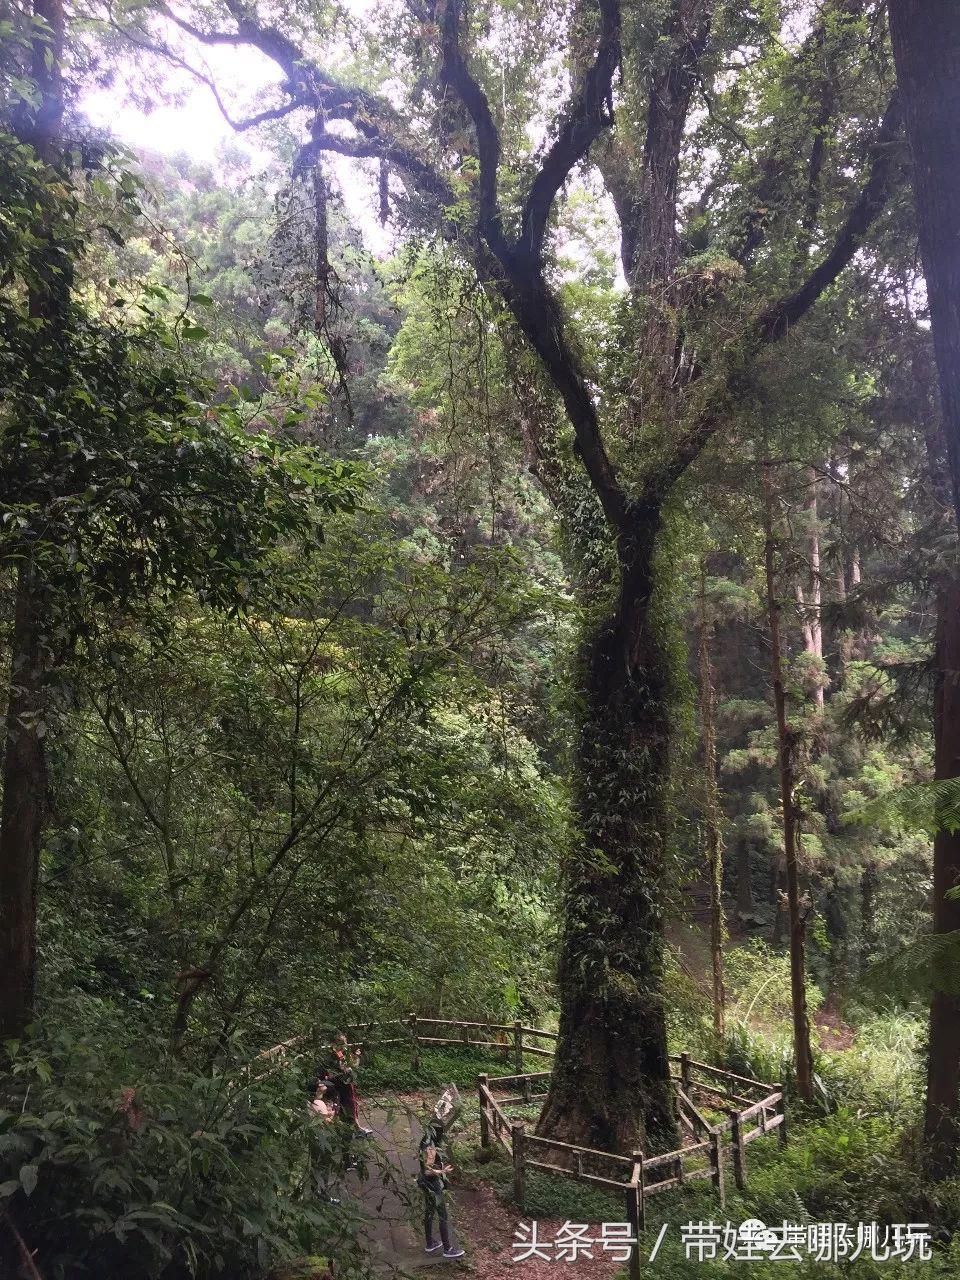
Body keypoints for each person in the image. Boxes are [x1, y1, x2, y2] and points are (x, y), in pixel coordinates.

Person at [417, 1087, 465, 1260]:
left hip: (423, 1182)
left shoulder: (425, 1139)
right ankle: (447, 1248)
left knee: (429, 1212)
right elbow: (427, 1170)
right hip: (431, 1183)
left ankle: (430, 1243)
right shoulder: (430, 1147)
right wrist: (442, 1171)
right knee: (442, 1215)